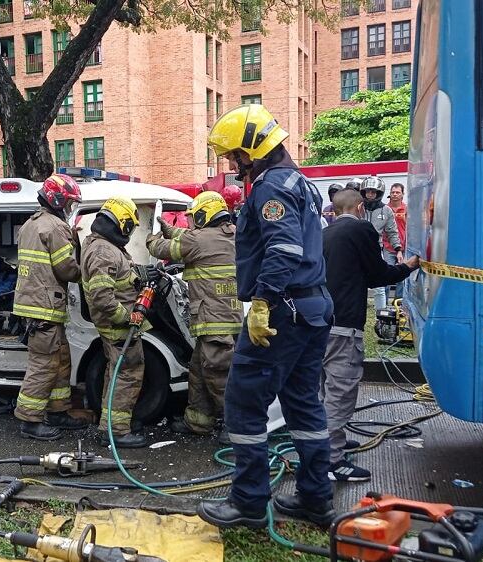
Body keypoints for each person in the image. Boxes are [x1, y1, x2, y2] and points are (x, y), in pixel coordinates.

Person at [198, 104, 335, 529]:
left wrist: (261, 303)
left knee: (244, 401)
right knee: (303, 404)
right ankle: (316, 498)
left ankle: (249, 502)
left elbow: (284, 249)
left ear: (254, 149)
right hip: (313, 307)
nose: (235, 165)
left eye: (236, 156)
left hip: (283, 310)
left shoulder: (272, 186)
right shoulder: (302, 184)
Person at [321, 189, 419, 481]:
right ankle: (331, 461)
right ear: (361, 207)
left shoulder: (325, 234)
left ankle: (326, 445)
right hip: (345, 324)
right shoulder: (361, 228)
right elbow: (378, 275)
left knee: (323, 388)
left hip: (319, 323)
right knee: (340, 390)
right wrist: (407, 267)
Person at [147, 191, 241, 443]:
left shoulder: (198, 240)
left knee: (218, 374)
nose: (192, 221)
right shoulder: (230, 234)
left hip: (213, 321)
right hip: (228, 316)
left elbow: (161, 249)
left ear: (203, 214)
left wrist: (151, 236)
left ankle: (235, 426)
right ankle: (198, 421)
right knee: (199, 371)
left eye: (194, 216)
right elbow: (193, 239)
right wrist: (171, 229)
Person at [13, 174, 88, 441]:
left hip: (37, 307)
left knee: (60, 361)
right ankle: (29, 420)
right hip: (43, 308)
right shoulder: (55, 228)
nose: (69, 208)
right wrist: (86, 269)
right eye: (68, 202)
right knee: (44, 364)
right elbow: (66, 269)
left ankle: (58, 412)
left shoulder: (30, 225)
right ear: (57, 199)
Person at [81, 196, 158, 448]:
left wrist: (142, 273)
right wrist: (128, 317)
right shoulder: (103, 250)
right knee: (127, 373)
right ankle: (116, 431)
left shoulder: (104, 246)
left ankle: (112, 424)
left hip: (117, 324)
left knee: (117, 372)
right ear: (121, 224)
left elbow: (121, 273)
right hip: (117, 325)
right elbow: (102, 296)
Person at [360, 176, 402, 311]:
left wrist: (398, 249)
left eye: (373, 191)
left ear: (379, 193)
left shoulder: (386, 210)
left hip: (376, 250)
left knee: (379, 287)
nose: (370, 194)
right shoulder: (358, 208)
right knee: (356, 283)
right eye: (367, 191)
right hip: (357, 249)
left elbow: (392, 232)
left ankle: (381, 315)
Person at [385, 183, 408, 298]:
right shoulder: (384, 209)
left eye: (397, 192)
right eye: (393, 192)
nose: (394, 194)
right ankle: (383, 305)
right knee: (385, 275)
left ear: (403, 194)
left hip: (404, 247)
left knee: (401, 277)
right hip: (387, 247)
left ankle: (398, 304)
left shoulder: (406, 209)